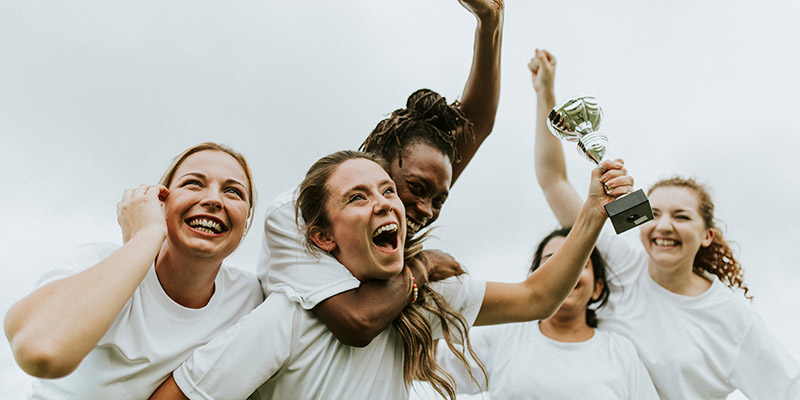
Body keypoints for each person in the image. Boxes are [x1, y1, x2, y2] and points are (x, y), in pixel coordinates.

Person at [150, 148, 633, 399]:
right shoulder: (287, 316)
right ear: (322, 237)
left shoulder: (425, 303)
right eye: (357, 197)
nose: (384, 203)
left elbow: (537, 298)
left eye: (387, 192)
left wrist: (592, 212)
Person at [530, 48, 800, 399]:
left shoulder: (732, 320)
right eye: (655, 213)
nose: (664, 226)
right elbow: (553, 179)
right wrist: (545, 95)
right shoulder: (620, 266)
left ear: (707, 236)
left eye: (682, 216)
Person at [259, 0, 505, 347]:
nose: (426, 210)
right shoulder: (295, 213)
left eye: (439, 199)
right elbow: (358, 322)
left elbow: (476, 125)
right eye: (415, 188)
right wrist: (425, 266)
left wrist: (490, 21)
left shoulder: (403, 209)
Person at [4, 143, 264, 398]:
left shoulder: (249, 300)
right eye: (193, 183)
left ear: (246, 222)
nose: (213, 200)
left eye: (233, 192)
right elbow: (38, 350)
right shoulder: (98, 261)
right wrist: (147, 235)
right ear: (160, 202)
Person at [436, 227, 658, 399]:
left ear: (598, 287)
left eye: (580, 263)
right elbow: (426, 362)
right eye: (551, 260)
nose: (565, 273)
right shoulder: (505, 335)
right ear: (536, 277)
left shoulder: (620, 351)